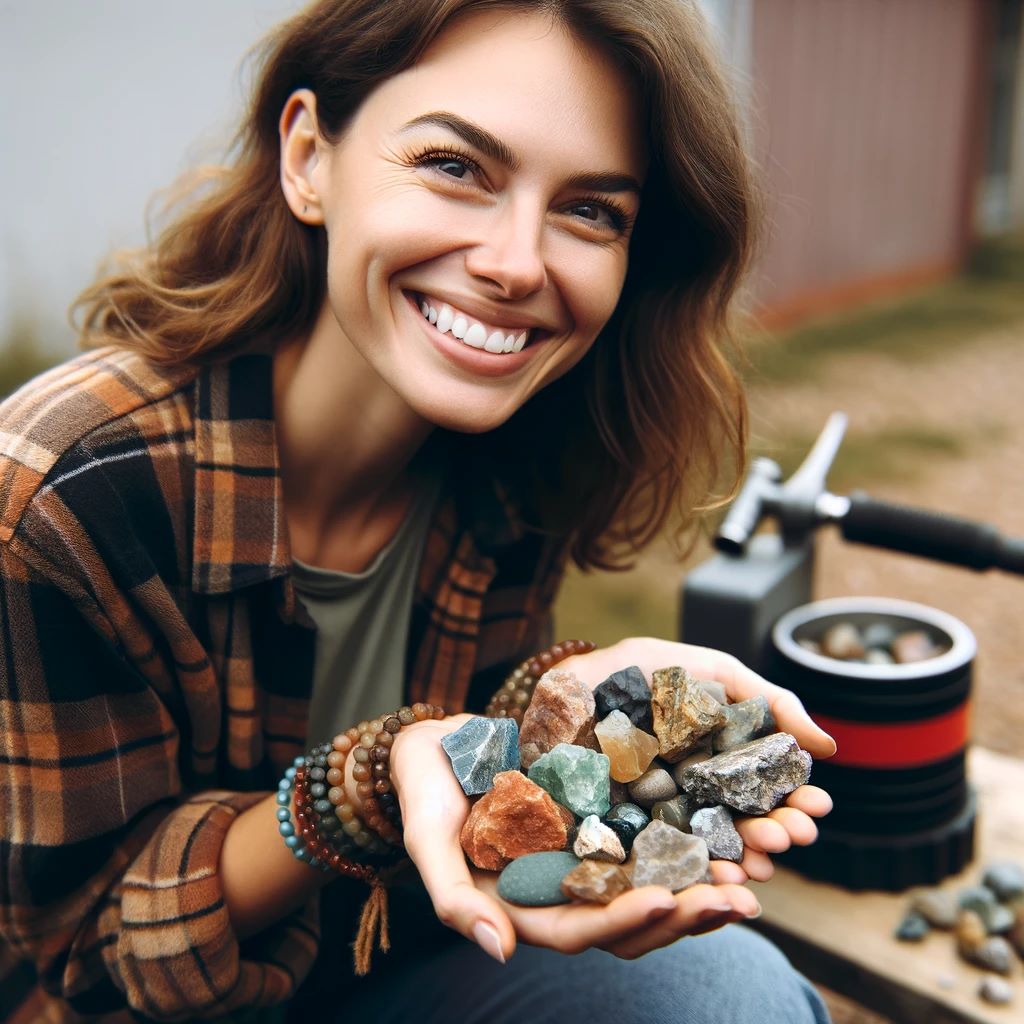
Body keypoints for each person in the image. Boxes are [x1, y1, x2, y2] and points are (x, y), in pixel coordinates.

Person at [0, 1, 837, 1021]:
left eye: (591, 210)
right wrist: (364, 792)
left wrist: (562, 701)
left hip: (389, 962)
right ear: (308, 157)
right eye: (455, 165)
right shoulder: (63, 494)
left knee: (729, 992)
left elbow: (473, 746)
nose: (518, 263)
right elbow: (87, 957)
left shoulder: (520, 445)